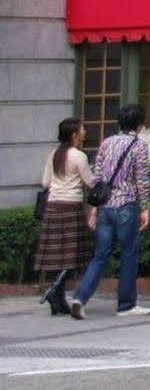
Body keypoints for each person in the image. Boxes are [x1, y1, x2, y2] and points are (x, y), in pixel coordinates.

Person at [70, 104, 150, 319]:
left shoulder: (107, 143)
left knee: (100, 255)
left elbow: (98, 176)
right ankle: (126, 304)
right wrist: (144, 208)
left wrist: (95, 209)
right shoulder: (139, 146)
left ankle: (80, 297)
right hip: (126, 204)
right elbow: (142, 180)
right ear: (139, 125)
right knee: (128, 254)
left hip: (105, 205)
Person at [33, 119, 97, 317]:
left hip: (53, 207)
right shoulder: (79, 156)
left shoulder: (54, 154)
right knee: (73, 255)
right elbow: (90, 182)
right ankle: (55, 294)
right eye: (82, 129)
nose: (85, 132)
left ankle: (58, 298)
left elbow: (45, 182)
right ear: (74, 134)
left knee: (57, 256)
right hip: (71, 208)